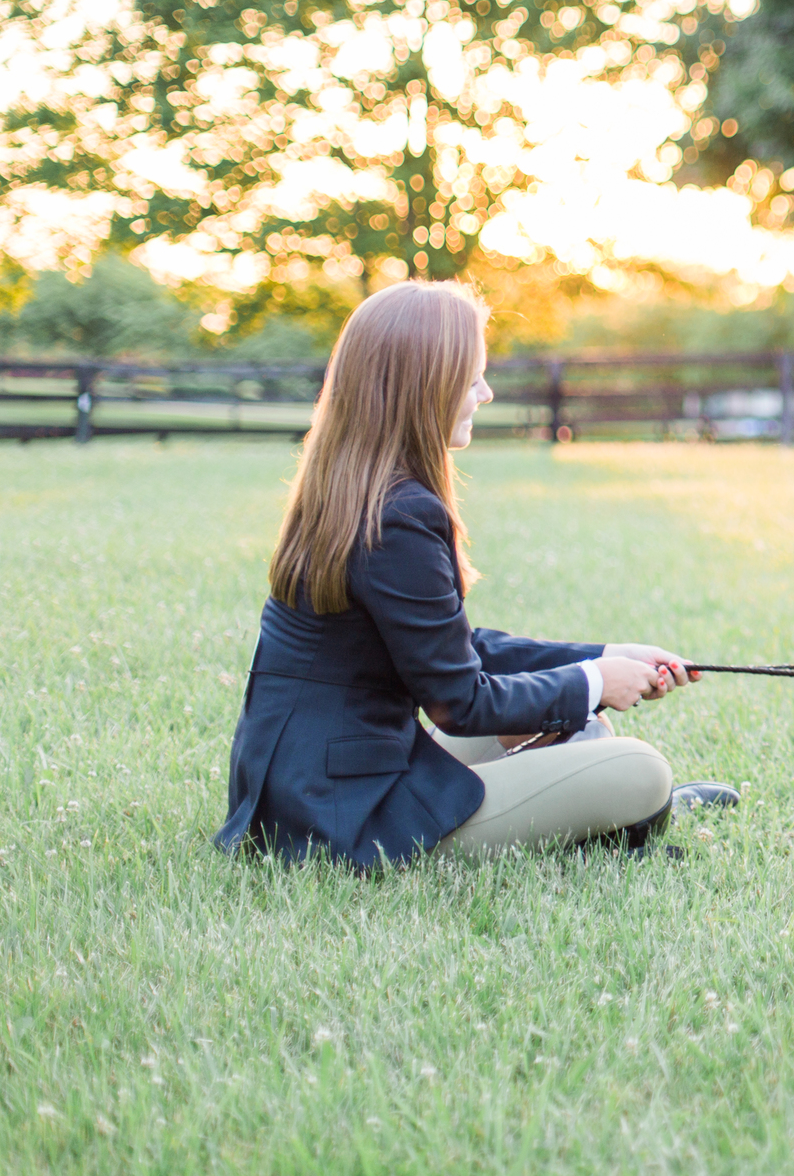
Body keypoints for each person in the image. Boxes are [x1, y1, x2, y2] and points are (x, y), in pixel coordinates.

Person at [217, 280, 736, 867]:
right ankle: (631, 812)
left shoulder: (353, 493)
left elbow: (449, 651)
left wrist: (605, 654)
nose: (485, 394)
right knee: (640, 768)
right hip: (343, 822)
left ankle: (613, 806)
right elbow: (460, 703)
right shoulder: (398, 516)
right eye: (472, 379)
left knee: (582, 732)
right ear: (421, 388)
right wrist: (594, 680)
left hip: (315, 791)